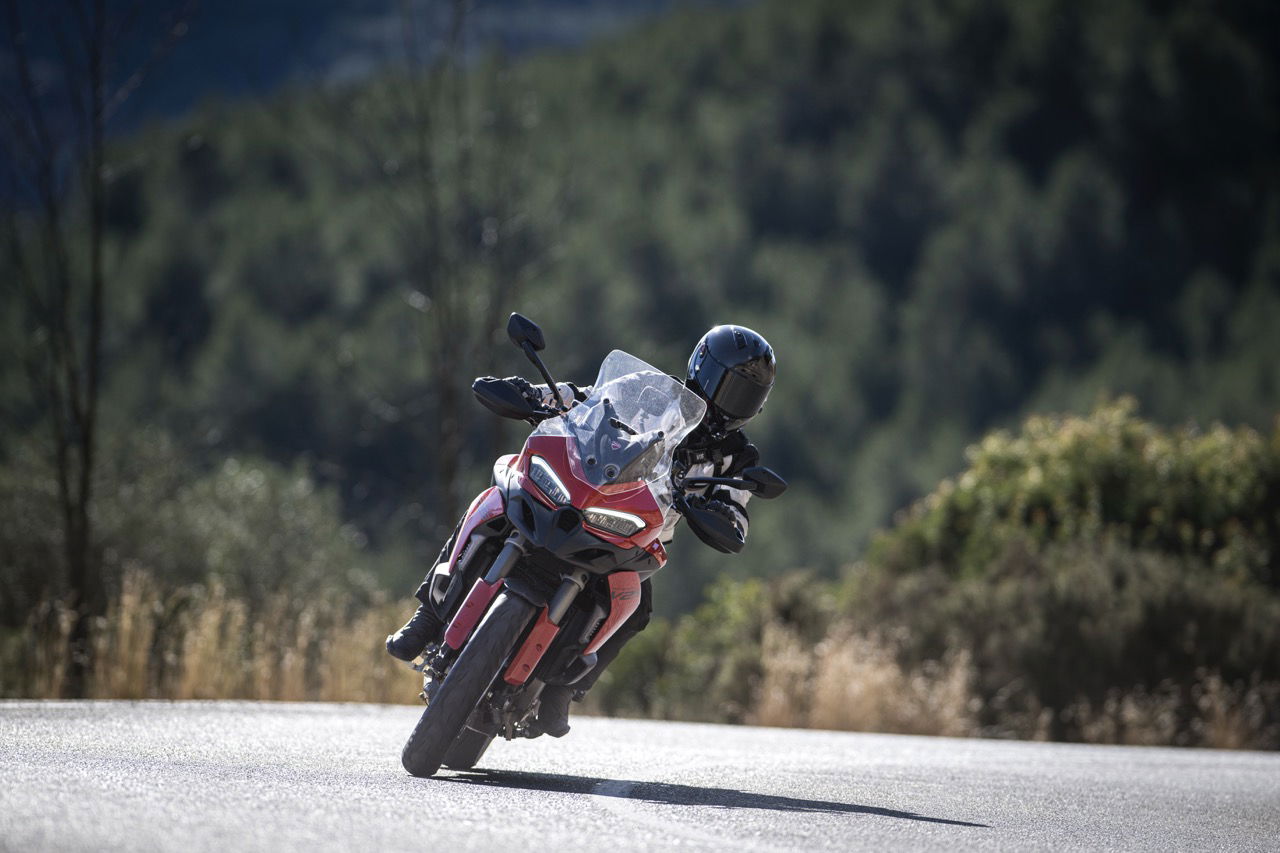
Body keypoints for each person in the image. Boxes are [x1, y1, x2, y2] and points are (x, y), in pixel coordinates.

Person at [385, 324, 776, 736]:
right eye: (730, 387)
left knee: (636, 609)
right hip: (578, 492)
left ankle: (562, 692)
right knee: (492, 505)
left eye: (748, 395)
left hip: (636, 535)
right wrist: (535, 395)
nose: (733, 403)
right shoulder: (649, 390)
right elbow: (586, 399)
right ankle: (427, 617)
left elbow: (737, 513)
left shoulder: (738, 457)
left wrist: (721, 516)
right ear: (703, 370)